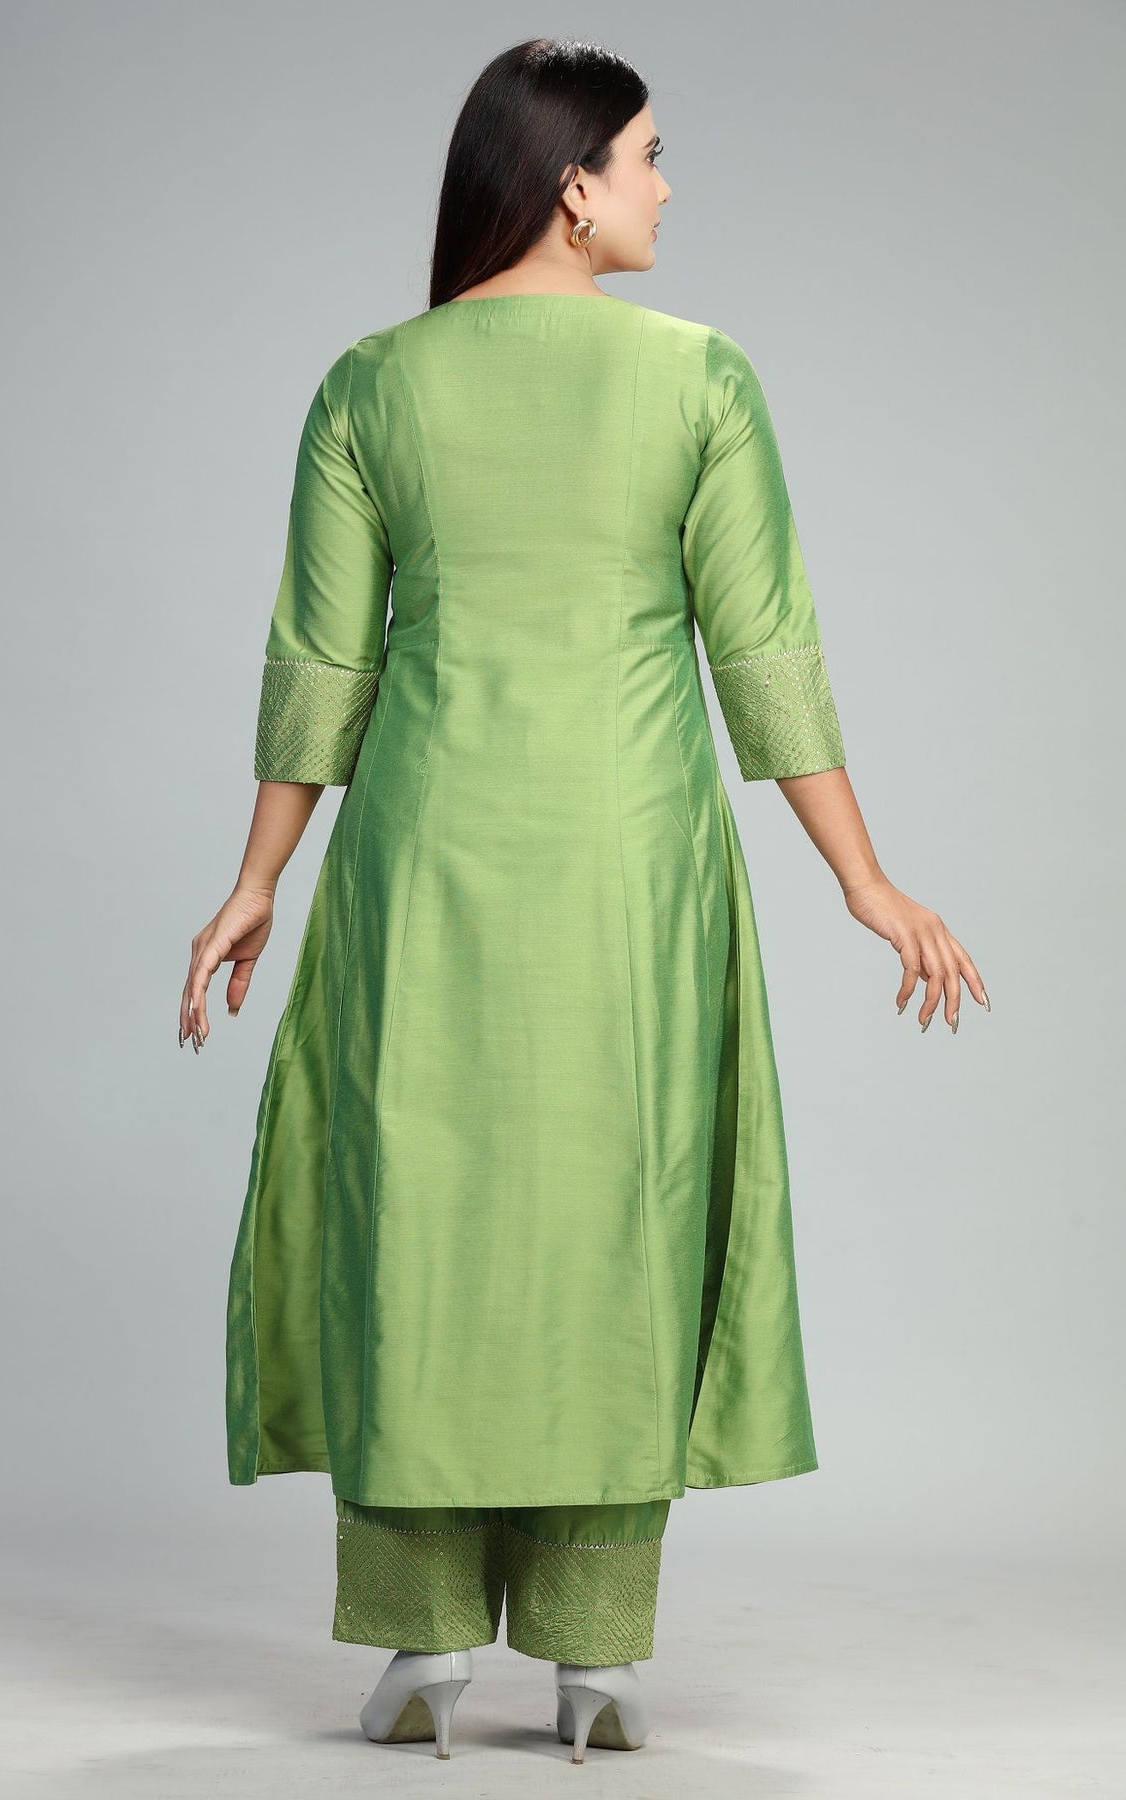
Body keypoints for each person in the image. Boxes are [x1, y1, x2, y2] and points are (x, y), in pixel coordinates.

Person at [179, 37, 989, 1765]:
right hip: (633, 861)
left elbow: (321, 661)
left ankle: (421, 1644)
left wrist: (256, 880)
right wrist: (864, 879)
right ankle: (595, 1659)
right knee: (621, 1214)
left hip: (422, 856)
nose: (666, 189)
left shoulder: (370, 385)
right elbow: (764, 651)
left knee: (419, 1215)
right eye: (649, 156)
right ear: (572, 186)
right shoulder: (701, 379)